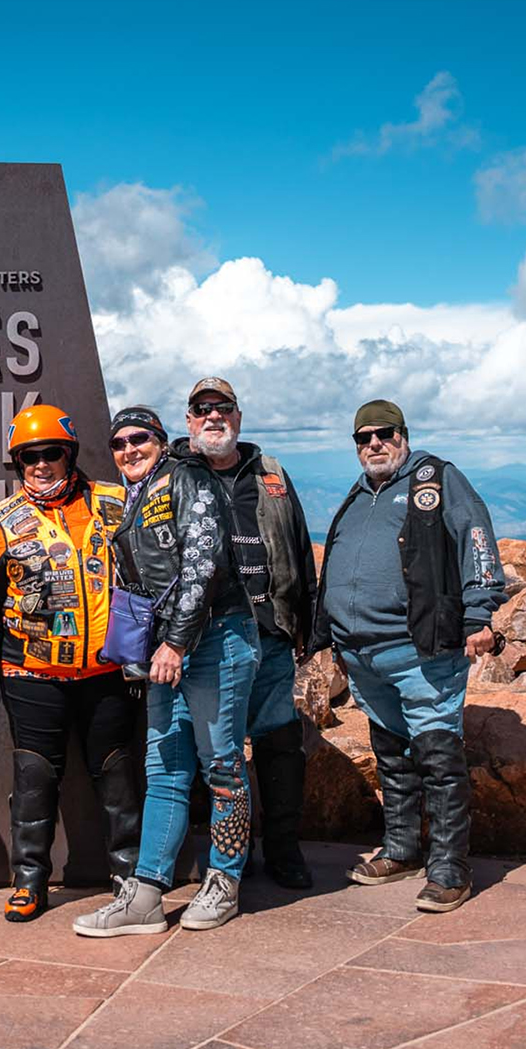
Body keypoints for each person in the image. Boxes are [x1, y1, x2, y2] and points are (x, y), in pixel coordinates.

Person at [73, 389, 259, 938]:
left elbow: (204, 563)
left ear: (160, 440)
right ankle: (147, 894)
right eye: (119, 443)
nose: (129, 449)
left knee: (222, 766)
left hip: (215, 640)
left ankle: (224, 880)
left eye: (140, 439)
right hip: (166, 654)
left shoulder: (188, 478)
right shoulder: (136, 493)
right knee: (164, 769)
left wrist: (175, 641)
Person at [310, 399, 507, 913]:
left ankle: (450, 868)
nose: (373, 444)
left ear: (403, 434)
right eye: (363, 437)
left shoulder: (436, 479)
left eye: (384, 433)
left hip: (421, 651)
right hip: (362, 654)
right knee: (393, 757)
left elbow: (477, 540)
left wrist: (481, 613)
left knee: (439, 758)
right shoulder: (360, 493)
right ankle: (401, 849)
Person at [0, 404, 139, 923]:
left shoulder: (115, 501)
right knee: (35, 779)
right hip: (32, 673)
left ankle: (129, 874)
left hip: (106, 671)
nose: (41, 465)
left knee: (116, 777)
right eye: (29, 457)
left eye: (51, 454)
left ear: (70, 454)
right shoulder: (4, 518)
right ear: (18, 463)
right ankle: (28, 881)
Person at [187, 379, 319, 889]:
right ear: (190, 420)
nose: (214, 416)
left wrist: (309, 625)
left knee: (279, 743)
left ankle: (284, 851)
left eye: (223, 409)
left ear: (238, 418)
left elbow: (298, 545)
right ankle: (220, 860)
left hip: (271, 635)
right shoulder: (178, 473)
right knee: (214, 753)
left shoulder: (272, 473)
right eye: (204, 409)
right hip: (207, 642)